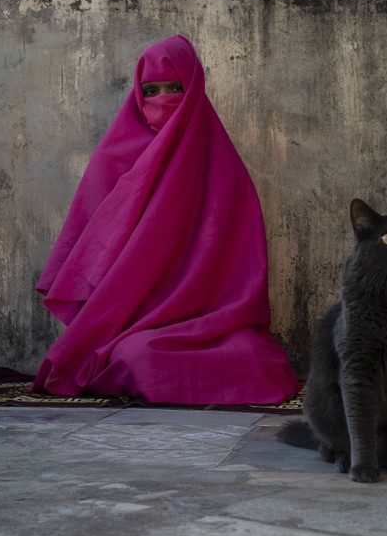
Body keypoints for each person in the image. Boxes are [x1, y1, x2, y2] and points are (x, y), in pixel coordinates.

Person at [32, 34, 300, 405]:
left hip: (212, 324)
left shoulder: (224, 168)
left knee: (256, 361)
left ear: (193, 89)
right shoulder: (112, 160)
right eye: (151, 90)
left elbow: (242, 269)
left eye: (175, 88)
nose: (162, 101)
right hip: (136, 326)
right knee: (138, 358)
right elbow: (90, 252)